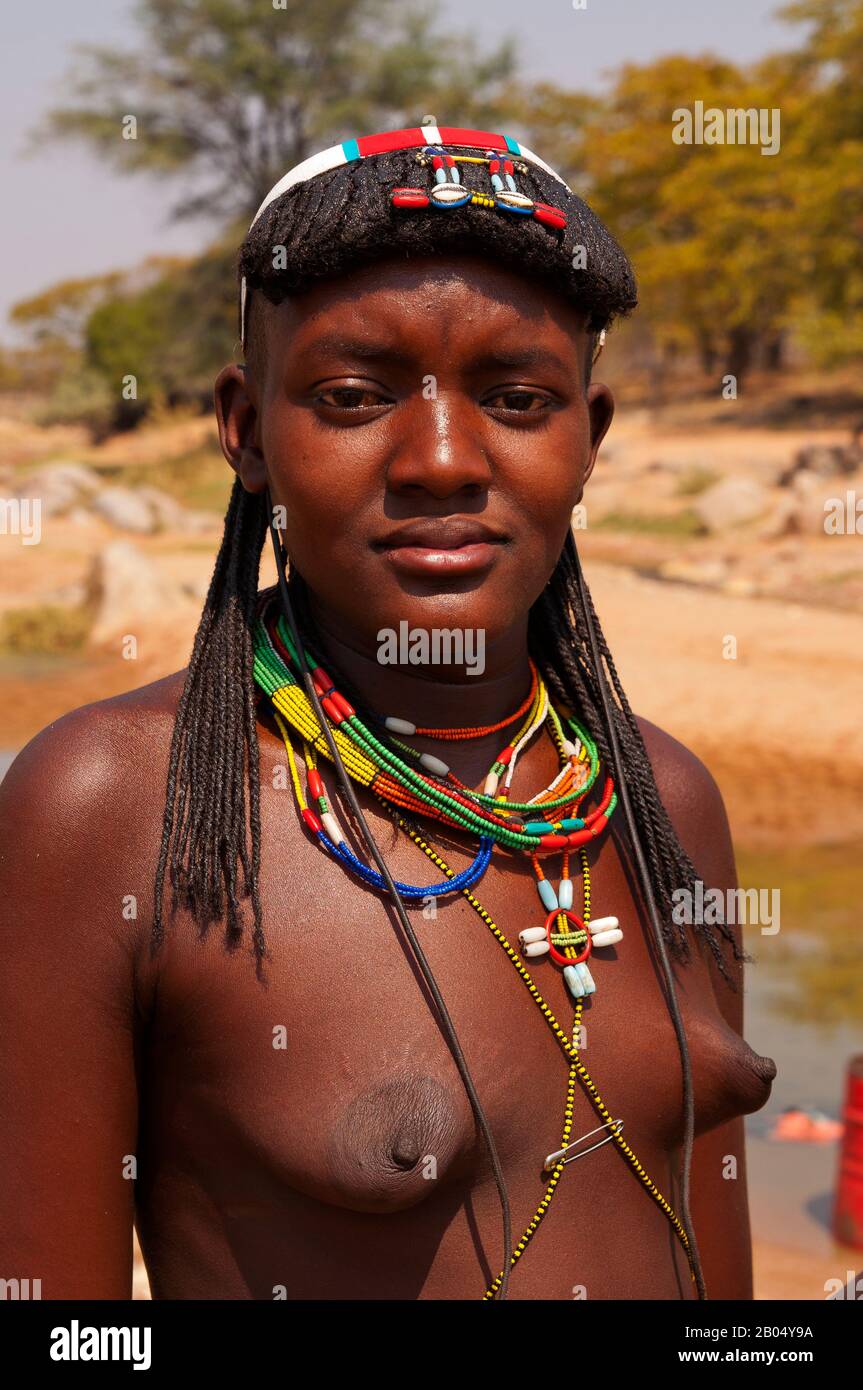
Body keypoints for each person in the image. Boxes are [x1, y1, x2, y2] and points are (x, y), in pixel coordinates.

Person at [0, 124, 777, 1301]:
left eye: (517, 398)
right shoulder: (109, 806)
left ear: (589, 440)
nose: (443, 459)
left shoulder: (661, 801)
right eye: (354, 395)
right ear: (247, 430)